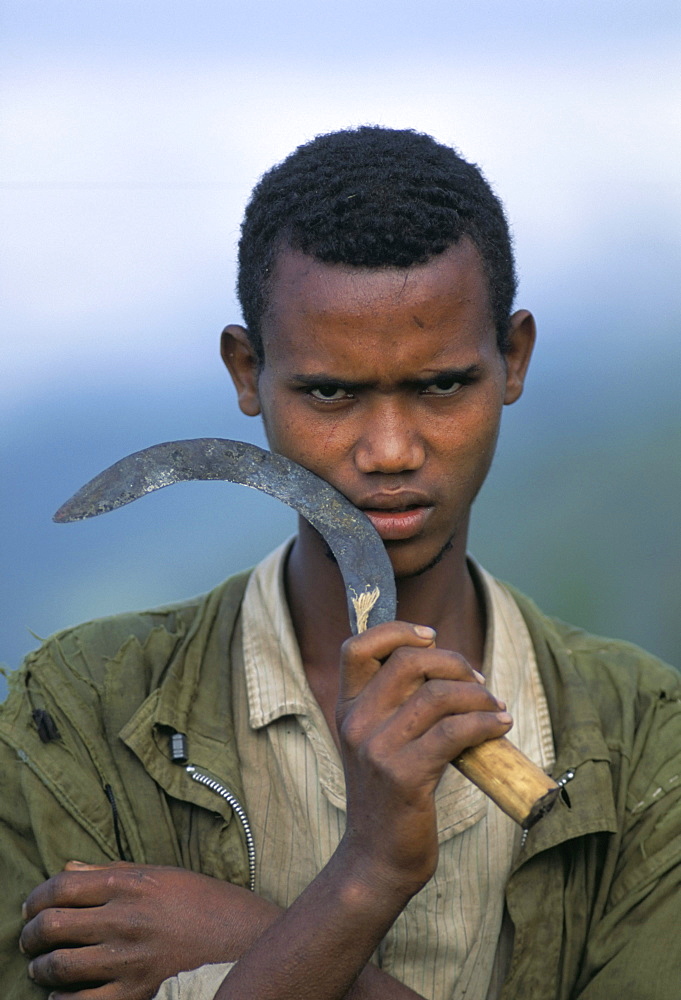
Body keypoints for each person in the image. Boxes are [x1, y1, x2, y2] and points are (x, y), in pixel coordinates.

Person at [1, 126, 680, 1000]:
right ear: (248, 372)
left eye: (441, 386)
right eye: (330, 392)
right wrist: (351, 898)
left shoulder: (644, 742)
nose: (391, 450)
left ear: (511, 359)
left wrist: (294, 919)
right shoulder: (83, 715)